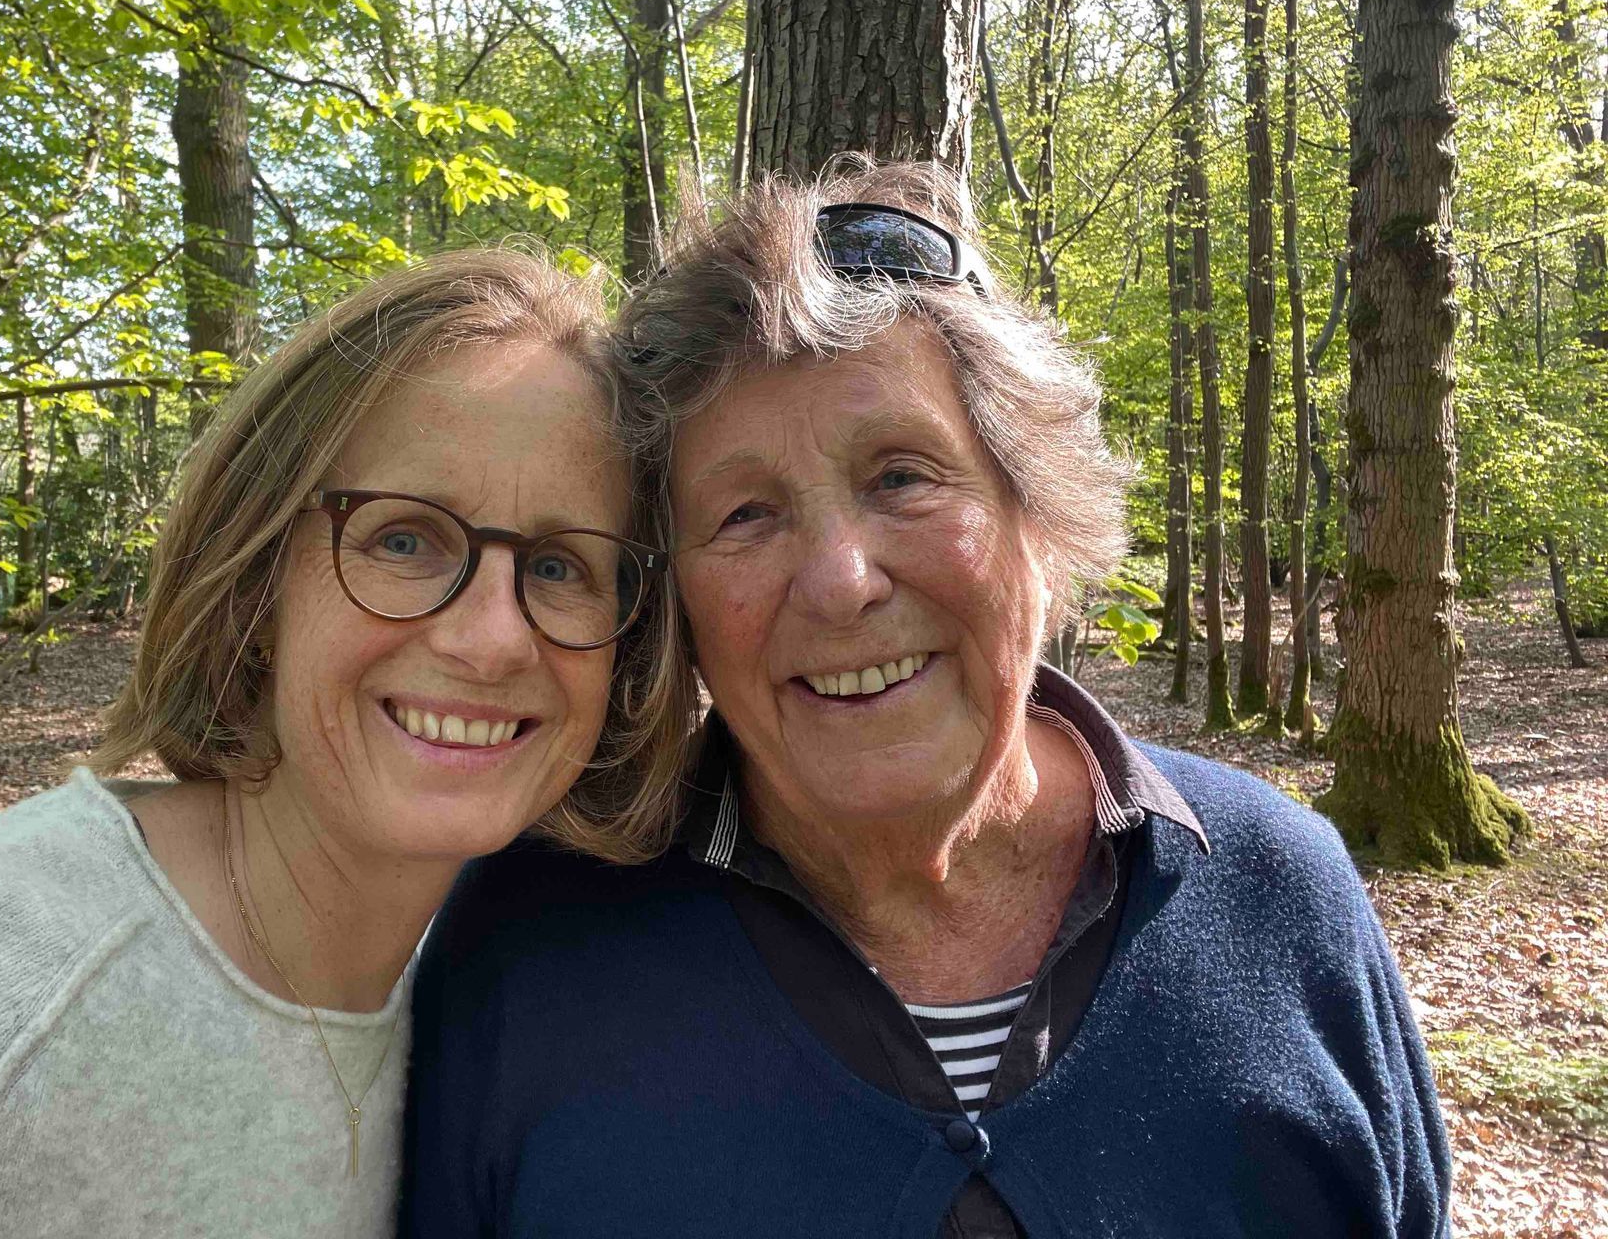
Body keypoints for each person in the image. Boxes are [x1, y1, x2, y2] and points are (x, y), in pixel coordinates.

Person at [403, 162, 1452, 1238]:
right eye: (747, 514)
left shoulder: (1276, 890)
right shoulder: (533, 946)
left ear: (1035, 508)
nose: (841, 582)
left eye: (901, 477)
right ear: (676, 601)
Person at [0, 250, 692, 1239]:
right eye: (403, 540)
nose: (492, 639)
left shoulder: (490, 978)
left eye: (560, 566)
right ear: (258, 585)